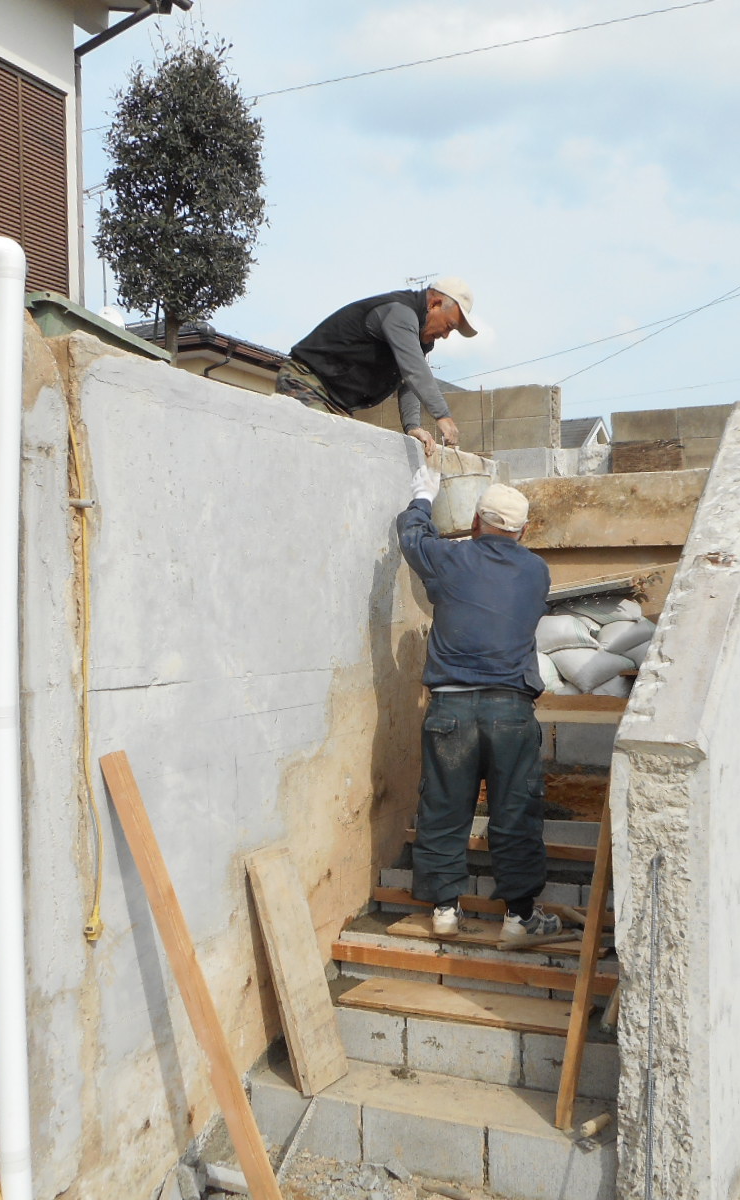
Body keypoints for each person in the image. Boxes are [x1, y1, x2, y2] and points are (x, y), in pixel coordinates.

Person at [396, 462, 562, 946]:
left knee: (444, 809)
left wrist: (423, 497)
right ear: (523, 531)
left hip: (449, 711)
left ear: (474, 522)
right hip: (510, 711)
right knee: (516, 811)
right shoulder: (536, 570)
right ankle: (520, 919)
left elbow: (412, 538)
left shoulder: (450, 559)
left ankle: (445, 911)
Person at [278, 278, 477, 454]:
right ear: (434, 304)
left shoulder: (419, 337)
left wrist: (412, 426)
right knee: (319, 451)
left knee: (338, 458)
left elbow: (407, 380)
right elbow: (414, 370)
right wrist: (442, 415)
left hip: (337, 403)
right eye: (449, 326)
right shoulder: (400, 313)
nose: (445, 335)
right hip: (306, 381)